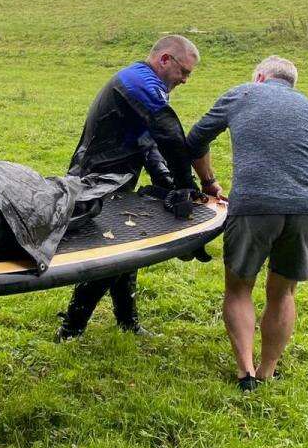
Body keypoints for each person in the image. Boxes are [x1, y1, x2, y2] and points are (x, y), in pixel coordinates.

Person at [187, 55, 308, 391]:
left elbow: (194, 141)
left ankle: (245, 372)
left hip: (253, 206)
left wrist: (208, 183)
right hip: (306, 208)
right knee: (283, 293)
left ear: (260, 77)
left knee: (239, 289)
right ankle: (268, 370)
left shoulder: (244, 93)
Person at [56, 35, 206, 341]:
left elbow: (147, 143)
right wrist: (186, 186)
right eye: (184, 72)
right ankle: (71, 329)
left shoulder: (148, 88)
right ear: (165, 59)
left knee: (126, 249)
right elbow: (170, 138)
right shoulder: (137, 82)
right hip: (95, 182)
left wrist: (167, 184)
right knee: (109, 255)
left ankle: (127, 322)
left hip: (120, 179)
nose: (185, 80)